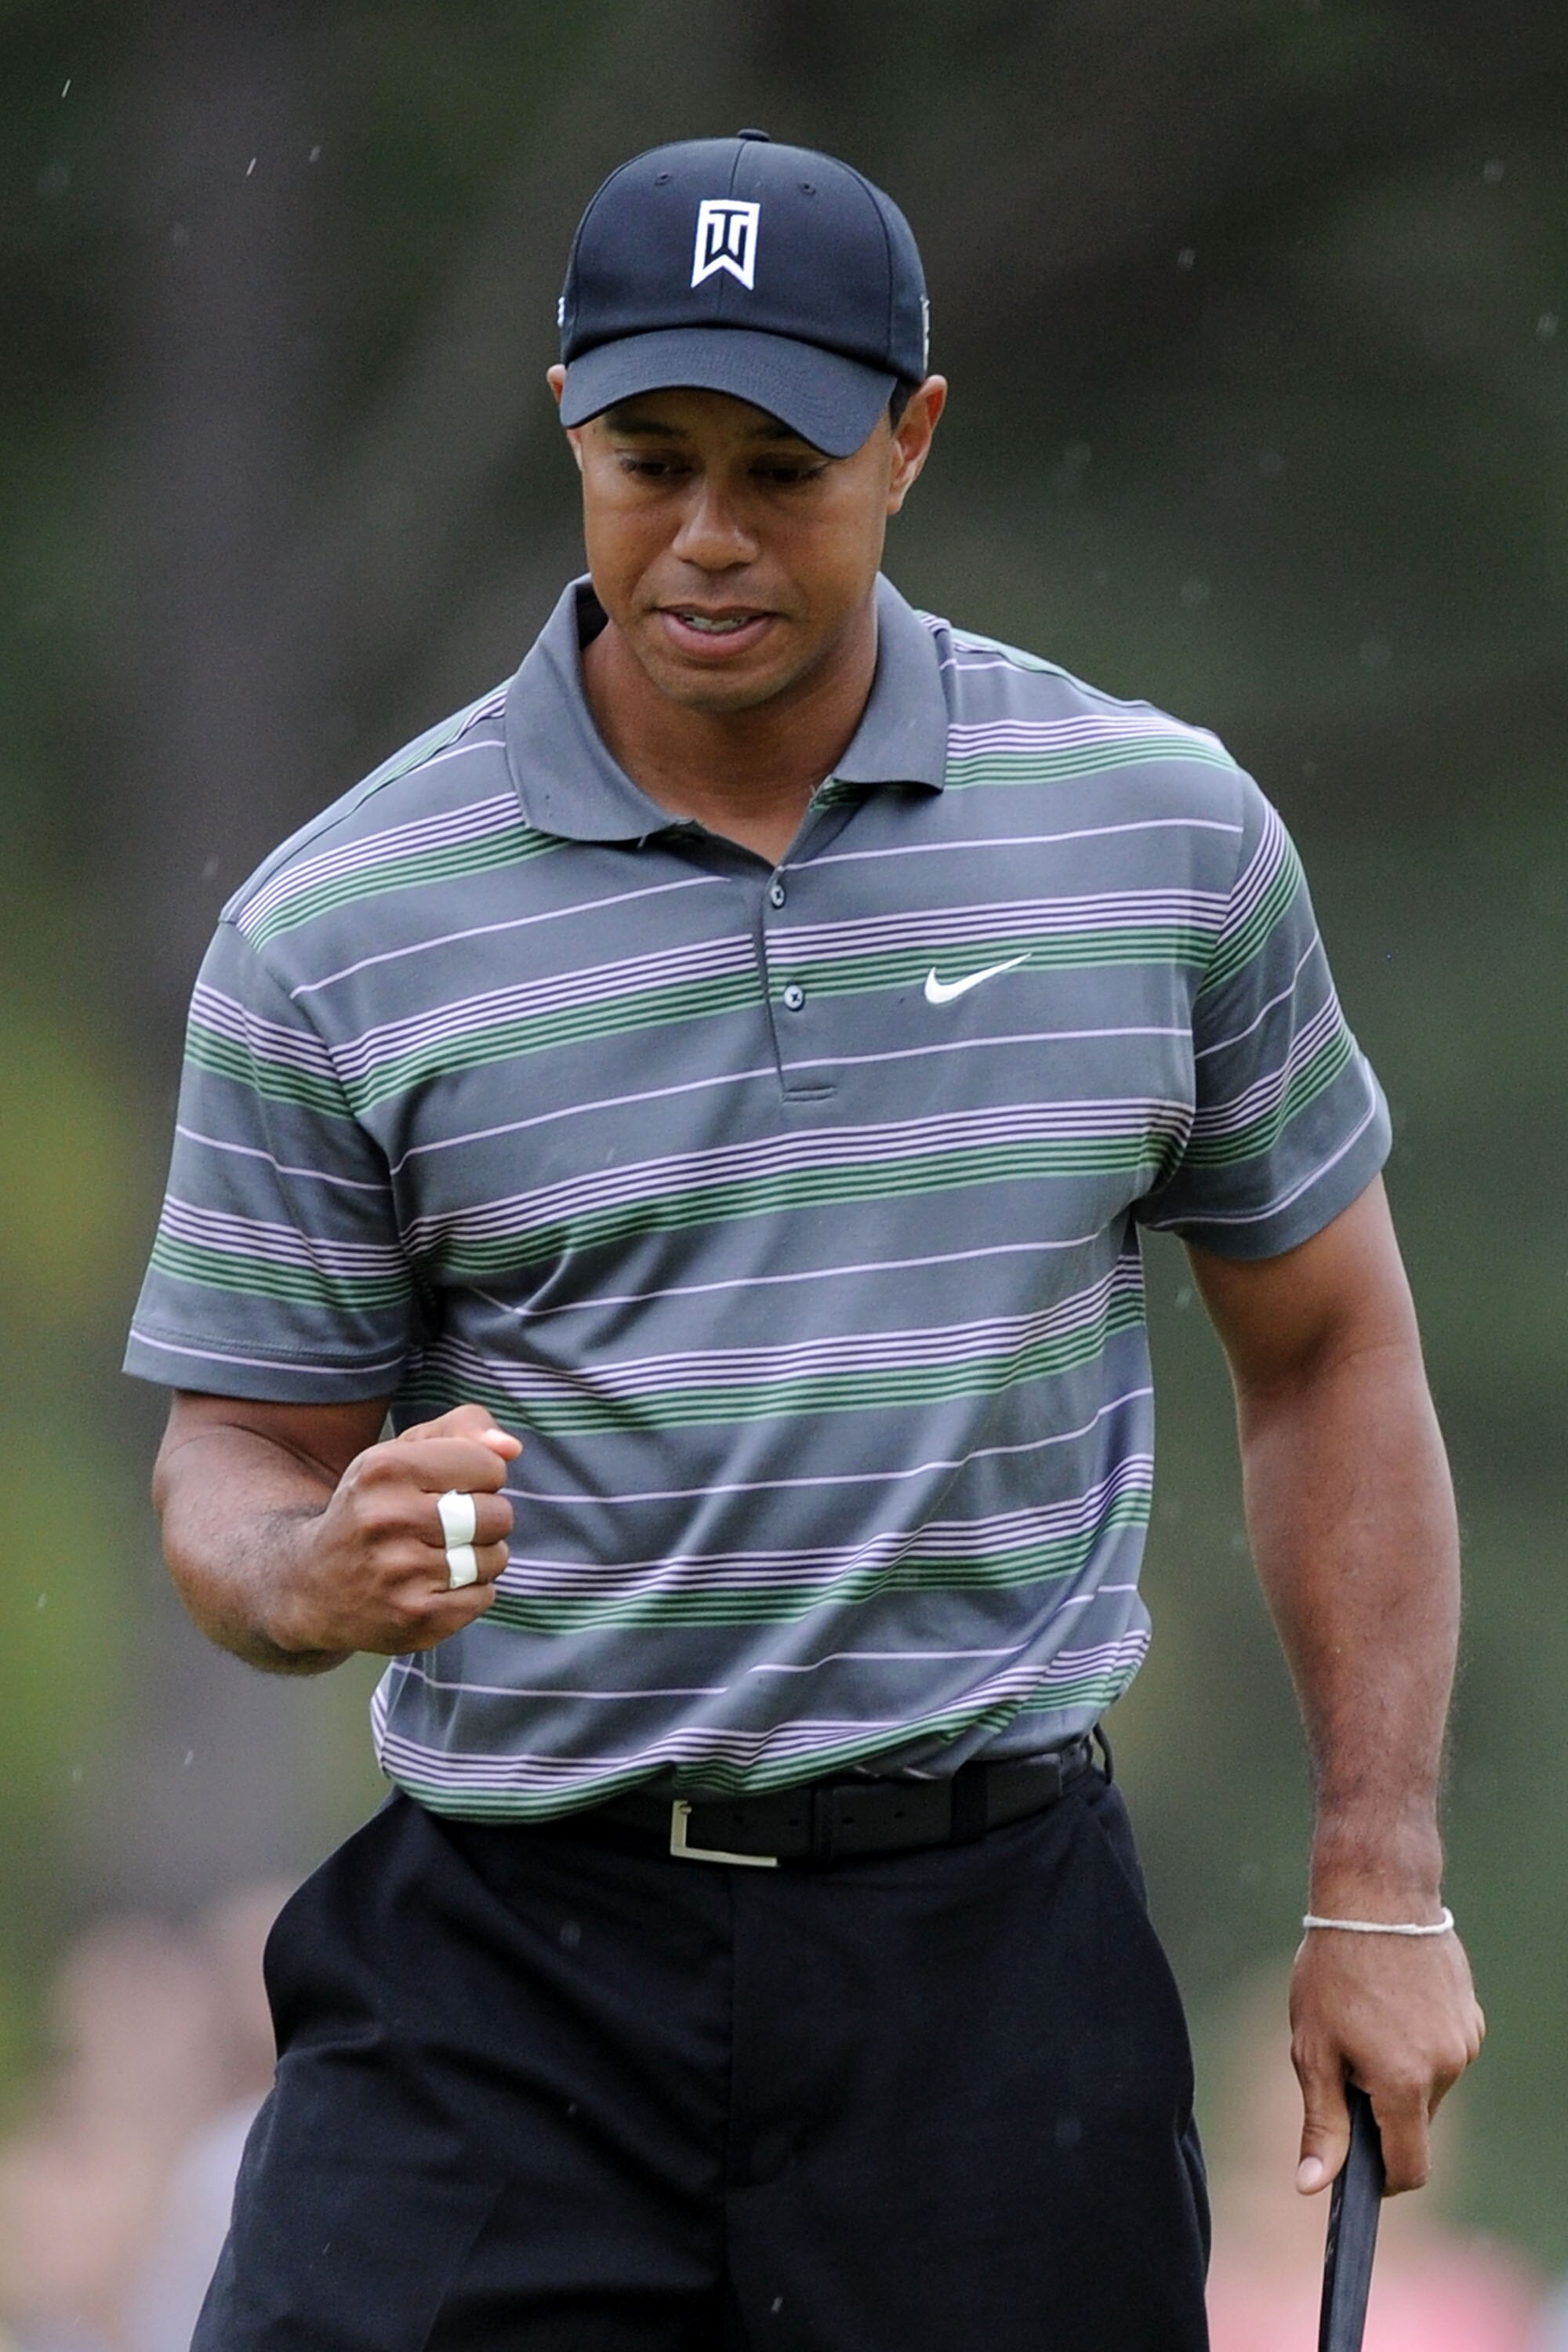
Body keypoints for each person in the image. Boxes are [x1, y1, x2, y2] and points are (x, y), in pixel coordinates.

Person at [127, 129, 1483, 2350]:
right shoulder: (339, 922)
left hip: (988, 1968)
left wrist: (1380, 1885)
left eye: (786, 466)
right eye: (649, 459)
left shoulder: (1159, 837)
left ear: (914, 438)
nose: (710, 538)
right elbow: (231, 1463)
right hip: (507, 1975)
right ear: (564, 410)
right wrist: (309, 1568)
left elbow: (1329, 1351)